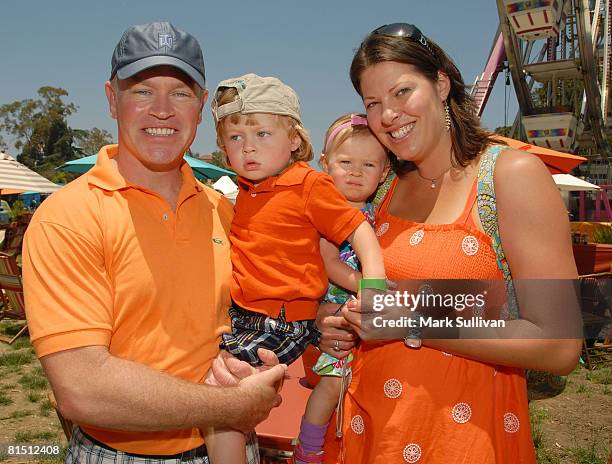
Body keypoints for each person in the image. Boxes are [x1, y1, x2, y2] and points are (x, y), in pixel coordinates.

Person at [22, 22, 286, 464]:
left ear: (202, 107)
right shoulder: (67, 218)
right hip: (121, 454)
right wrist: (234, 406)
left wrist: (320, 324)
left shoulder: (225, 211)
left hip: (230, 446)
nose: (162, 110)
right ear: (112, 99)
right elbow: (83, 388)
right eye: (142, 90)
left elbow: (252, 313)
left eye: (180, 93)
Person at [319, 23, 583, 463]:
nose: (388, 116)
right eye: (373, 103)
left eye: (402, 92)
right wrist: (337, 323)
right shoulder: (380, 191)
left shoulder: (509, 175)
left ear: (441, 83)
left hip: (462, 442)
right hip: (366, 435)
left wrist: (413, 317)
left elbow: (559, 343)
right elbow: (357, 293)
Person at [206, 75, 387, 462]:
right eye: (235, 138)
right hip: (245, 315)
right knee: (208, 383)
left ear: (294, 140)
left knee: (223, 399)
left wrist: (373, 283)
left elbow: (357, 230)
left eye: (263, 134)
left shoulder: (307, 184)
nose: (248, 147)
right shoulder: (247, 192)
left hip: (283, 319)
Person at [293, 113, 389, 464]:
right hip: (338, 308)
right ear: (325, 164)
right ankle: (308, 444)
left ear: (383, 172)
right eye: (345, 162)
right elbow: (330, 264)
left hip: (361, 309)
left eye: (368, 164)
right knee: (332, 383)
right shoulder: (327, 210)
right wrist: (370, 286)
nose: (356, 172)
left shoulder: (375, 210)